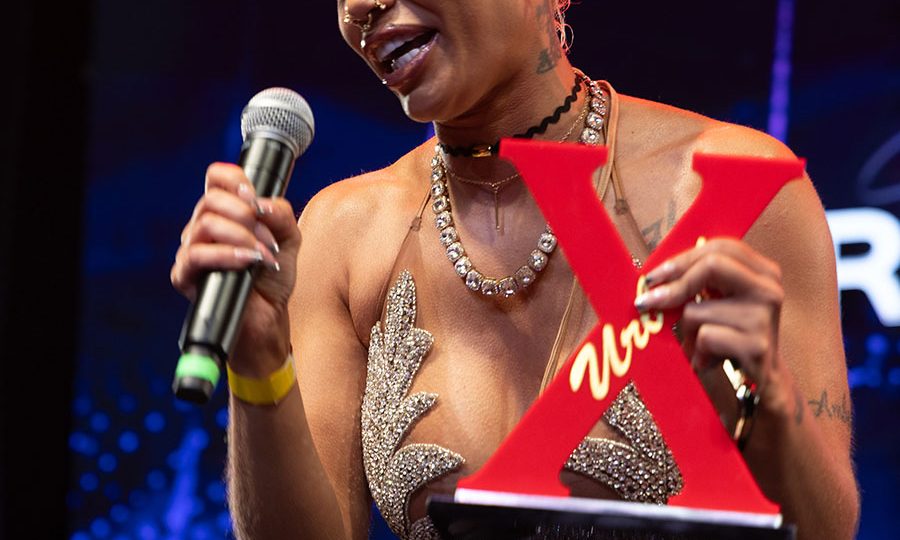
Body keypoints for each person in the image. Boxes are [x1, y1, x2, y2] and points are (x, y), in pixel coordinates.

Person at [170, 1, 859, 538]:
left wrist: (767, 398)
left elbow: (826, 532)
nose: (361, 7)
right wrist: (259, 364)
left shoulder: (734, 189)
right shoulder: (344, 231)